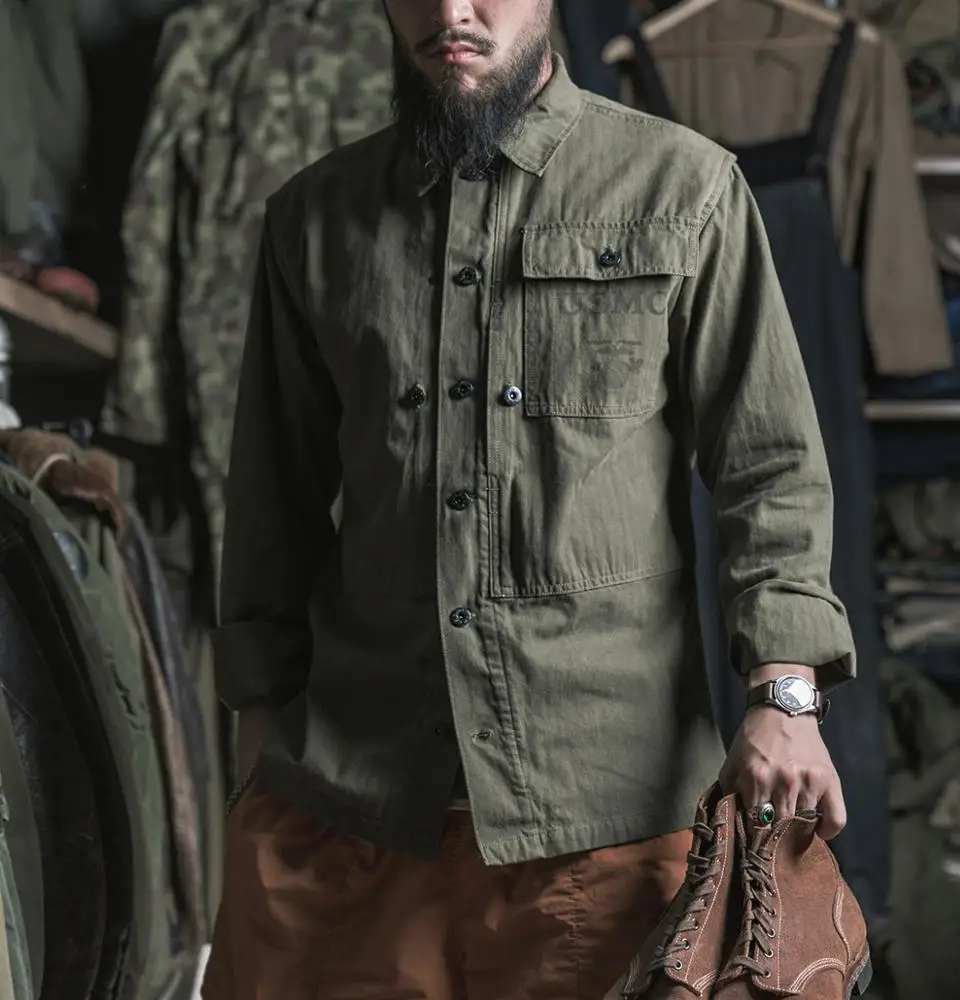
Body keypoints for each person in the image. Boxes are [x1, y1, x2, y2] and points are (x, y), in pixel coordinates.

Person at [201, 2, 857, 998]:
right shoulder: (313, 218)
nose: (450, 12)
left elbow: (768, 466)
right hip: (349, 818)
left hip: (607, 832)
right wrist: (256, 731)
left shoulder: (684, 187)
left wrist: (785, 694)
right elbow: (271, 494)